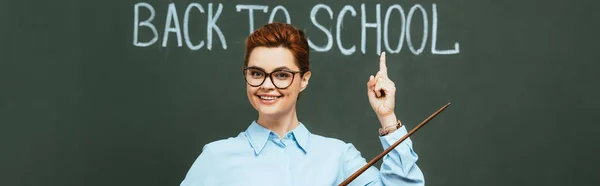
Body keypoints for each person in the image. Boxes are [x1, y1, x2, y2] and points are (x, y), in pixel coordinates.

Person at [179, 22, 424, 186]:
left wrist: (387, 117)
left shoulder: (338, 157)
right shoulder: (217, 157)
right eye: (256, 73)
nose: (266, 84)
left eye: (282, 75)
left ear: (304, 79)